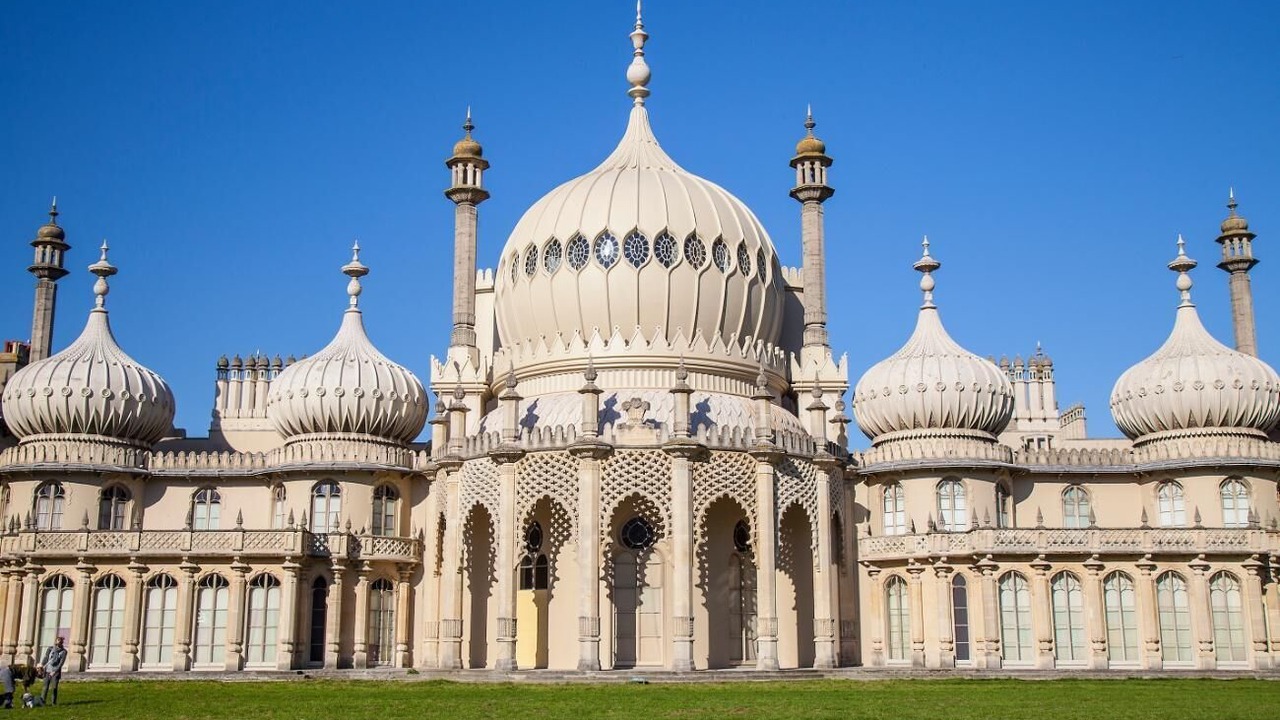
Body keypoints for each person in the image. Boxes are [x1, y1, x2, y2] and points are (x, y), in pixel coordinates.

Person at [36, 636, 66, 706]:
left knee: (54, 688)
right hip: (47, 670)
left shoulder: (64, 652)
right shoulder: (50, 649)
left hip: (55, 672)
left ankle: (53, 703)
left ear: (62, 642)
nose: (58, 643)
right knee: (45, 687)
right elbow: (46, 657)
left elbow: (61, 663)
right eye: (57, 641)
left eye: (59, 641)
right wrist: (41, 665)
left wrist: (55, 671)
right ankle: (42, 702)